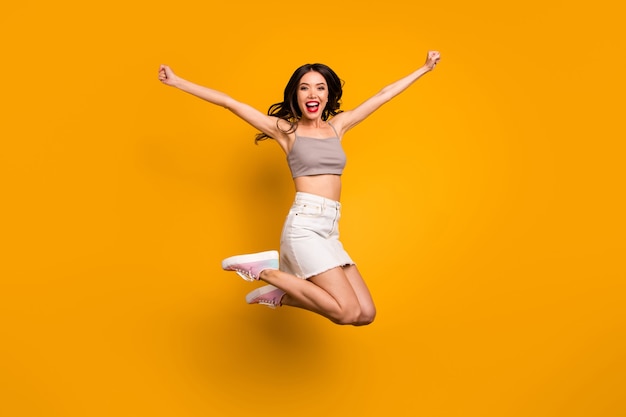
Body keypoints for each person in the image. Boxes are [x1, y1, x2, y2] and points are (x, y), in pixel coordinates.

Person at [158, 51, 441, 326]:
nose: (312, 94)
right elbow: (230, 103)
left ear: (328, 94)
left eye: (319, 87)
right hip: (304, 225)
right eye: (304, 88)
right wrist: (177, 81)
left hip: (330, 228)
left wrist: (424, 69)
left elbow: (383, 95)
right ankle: (266, 271)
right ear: (296, 95)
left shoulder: (337, 127)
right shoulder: (287, 132)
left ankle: (281, 294)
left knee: (365, 313)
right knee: (345, 312)